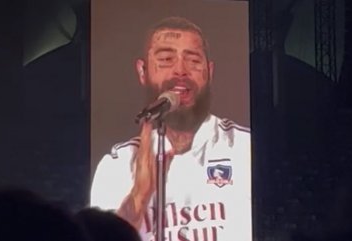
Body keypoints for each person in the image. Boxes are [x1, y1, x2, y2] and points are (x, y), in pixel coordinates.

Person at [90, 16, 252, 241]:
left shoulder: (246, 148)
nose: (180, 71)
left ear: (209, 71)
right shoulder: (117, 165)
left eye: (193, 60)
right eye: (166, 59)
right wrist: (139, 196)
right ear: (142, 71)